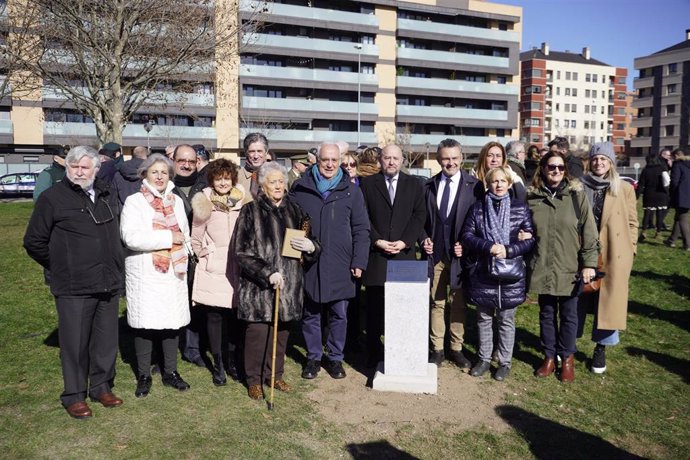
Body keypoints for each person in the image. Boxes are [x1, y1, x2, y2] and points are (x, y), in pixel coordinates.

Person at [24, 145, 125, 419]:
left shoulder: (105, 193)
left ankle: (101, 387)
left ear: (96, 169)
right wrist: (61, 264)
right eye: (74, 166)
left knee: (105, 342)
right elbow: (34, 241)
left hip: (108, 281)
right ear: (67, 167)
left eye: (85, 167)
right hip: (73, 286)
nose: (79, 172)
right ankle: (74, 395)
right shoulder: (52, 198)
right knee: (75, 343)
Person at [231, 162, 320, 400]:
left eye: (281, 181)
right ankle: (254, 380)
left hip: (288, 287)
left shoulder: (297, 211)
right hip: (259, 288)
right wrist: (267, 272)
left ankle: (275, 375)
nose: (278, 186)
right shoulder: (250, 212)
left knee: (281, 335)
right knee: (258, 334)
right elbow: (241, 252)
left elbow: (311, 241)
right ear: (262, 185)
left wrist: (311, 247)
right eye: (273, 182)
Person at [290, 143, 370, 379]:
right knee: (311, 314)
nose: (330, 164)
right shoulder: (300, 188)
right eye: (325, 159)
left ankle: (335, 358)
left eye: (334, 160)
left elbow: (361, 229)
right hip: (310, 263)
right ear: (316, 159)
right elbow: (291, 224)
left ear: (340, 161)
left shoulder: (351, 191)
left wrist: (359, 261)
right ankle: (314, 358)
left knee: (339, 314)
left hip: (341, 263)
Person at [120, 154, 192, 397]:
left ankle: (170, 371)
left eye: (164, 172)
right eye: (155, 172)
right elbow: (131, 237)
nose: (160, 176)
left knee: (172, 322)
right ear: (145, 175)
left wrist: (191, 248)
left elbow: (184, 233)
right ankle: (143, 374)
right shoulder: (134, 201)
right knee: (145, 324)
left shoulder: (176, 201)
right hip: (146, 272)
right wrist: (167, 238)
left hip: (173, 271)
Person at [527, 150, 599, 382]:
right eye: (551, 167)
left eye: (560, 167)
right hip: (542, 266)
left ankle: (567, 358)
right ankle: (549, 356)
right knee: (546, 314)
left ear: (565, 170)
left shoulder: (577, 197)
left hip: (570, 267)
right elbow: (525, 228)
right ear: (543, 169)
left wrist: (589, 264)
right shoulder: (533, 197)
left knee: (569, 315)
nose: (556, 171)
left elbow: (590, 233)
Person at [462, 166, 535, 381]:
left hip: (510, 272)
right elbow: (467, 236)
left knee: (506, 319)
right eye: (494, 181)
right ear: (488, 184)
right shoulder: (477, 209)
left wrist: (509, 250)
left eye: (503, 181)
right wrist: (488, 246)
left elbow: (530, 240)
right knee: (484, 318)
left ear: (510, 184)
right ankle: (484, 359)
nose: (499, 185)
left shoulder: (520, 209)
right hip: (484, 270)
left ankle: (504, 362)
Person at [360, 144, 426, 368]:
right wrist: (376, 239)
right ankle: (373, 353)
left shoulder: (415, 184)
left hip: (403, 256)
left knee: (402, 309)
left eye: (395, 158)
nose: (391, 162)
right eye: (387, 158)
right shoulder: (368, 184)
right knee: (375, 309)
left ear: (402, 161)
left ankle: (400, 352)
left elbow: (419, 215)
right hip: (377, 255)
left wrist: (405, 241)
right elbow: (363, 216)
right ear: (380, 160)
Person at [420, 139, 483, 369]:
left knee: (458, 303)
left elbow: (479, 222)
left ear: (461, 158)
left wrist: (467, 244)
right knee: (436, 302)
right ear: (438, 160)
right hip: (435, 254)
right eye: (446, 158)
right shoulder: (428, 185)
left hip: (460, 256)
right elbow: (421, 220)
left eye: (455, 158)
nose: (450, 163)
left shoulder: (474, 186)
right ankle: (437, 349)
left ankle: (456, 348)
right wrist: (423, 238)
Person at [578, 142, 638, 374]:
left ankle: (600, 348)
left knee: (609, 302)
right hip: (583, 249)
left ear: (611, 162)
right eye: (595, 159)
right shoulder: (579, 186)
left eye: (604, 159)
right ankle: (569, 345)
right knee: (579, 296)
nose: (599, 162)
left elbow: (632, 222)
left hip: (614, 252)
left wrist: (631, 247)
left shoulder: (623, 188)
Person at [190, 159, 245, 386]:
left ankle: (232, 360)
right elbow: (196, 234)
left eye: (226, 178)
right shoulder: (204, 201)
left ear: (233, 179)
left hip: (238, 265)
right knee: (215, 317)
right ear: (212, 180)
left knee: (234, 317)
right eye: (218, 178)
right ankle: (219, 364)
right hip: (214, 267)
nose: (223, 182)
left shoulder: (243, 199)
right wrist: (204, 253)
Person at [637, 153, 670, 241]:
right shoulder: (662, 168)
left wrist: (636, 196)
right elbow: (667, 181)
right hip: (661, 194)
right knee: (659, 215)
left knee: (647, 214)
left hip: (649, 194)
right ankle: (658, 233)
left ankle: (643, 232)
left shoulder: (645, 170)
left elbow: (640, 185)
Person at [666, 148, 690, 250]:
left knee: (683, 219)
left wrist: (671, 194)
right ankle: (671, 240)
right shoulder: (688, 165)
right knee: (678, 218)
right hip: (688, 195)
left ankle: (688, 244)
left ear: (676, 156)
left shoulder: (677, 165)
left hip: (681, 195)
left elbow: (674, 182)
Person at [238, 133, 269, 203]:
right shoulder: (236, 177)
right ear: (246, 153)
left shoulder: (276, 175)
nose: (256, 156)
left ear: (266, 152)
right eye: (252, 151)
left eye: (259, 151)